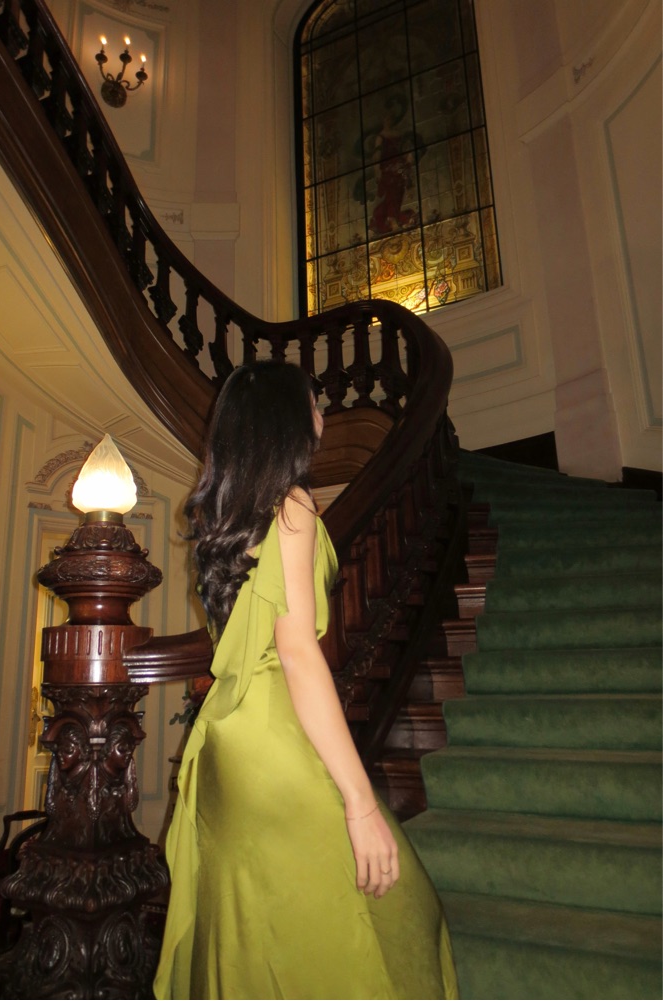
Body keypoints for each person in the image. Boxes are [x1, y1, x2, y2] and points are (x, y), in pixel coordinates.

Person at [154, 361, 458, 1000]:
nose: (323, 414)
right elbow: (295, 653)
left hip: (226, 747)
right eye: (314, 403)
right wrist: (361, 803)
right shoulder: (292, 506)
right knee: (395, 912)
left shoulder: (225, 517)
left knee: (260, 928)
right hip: (273, 738)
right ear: (287, 420)